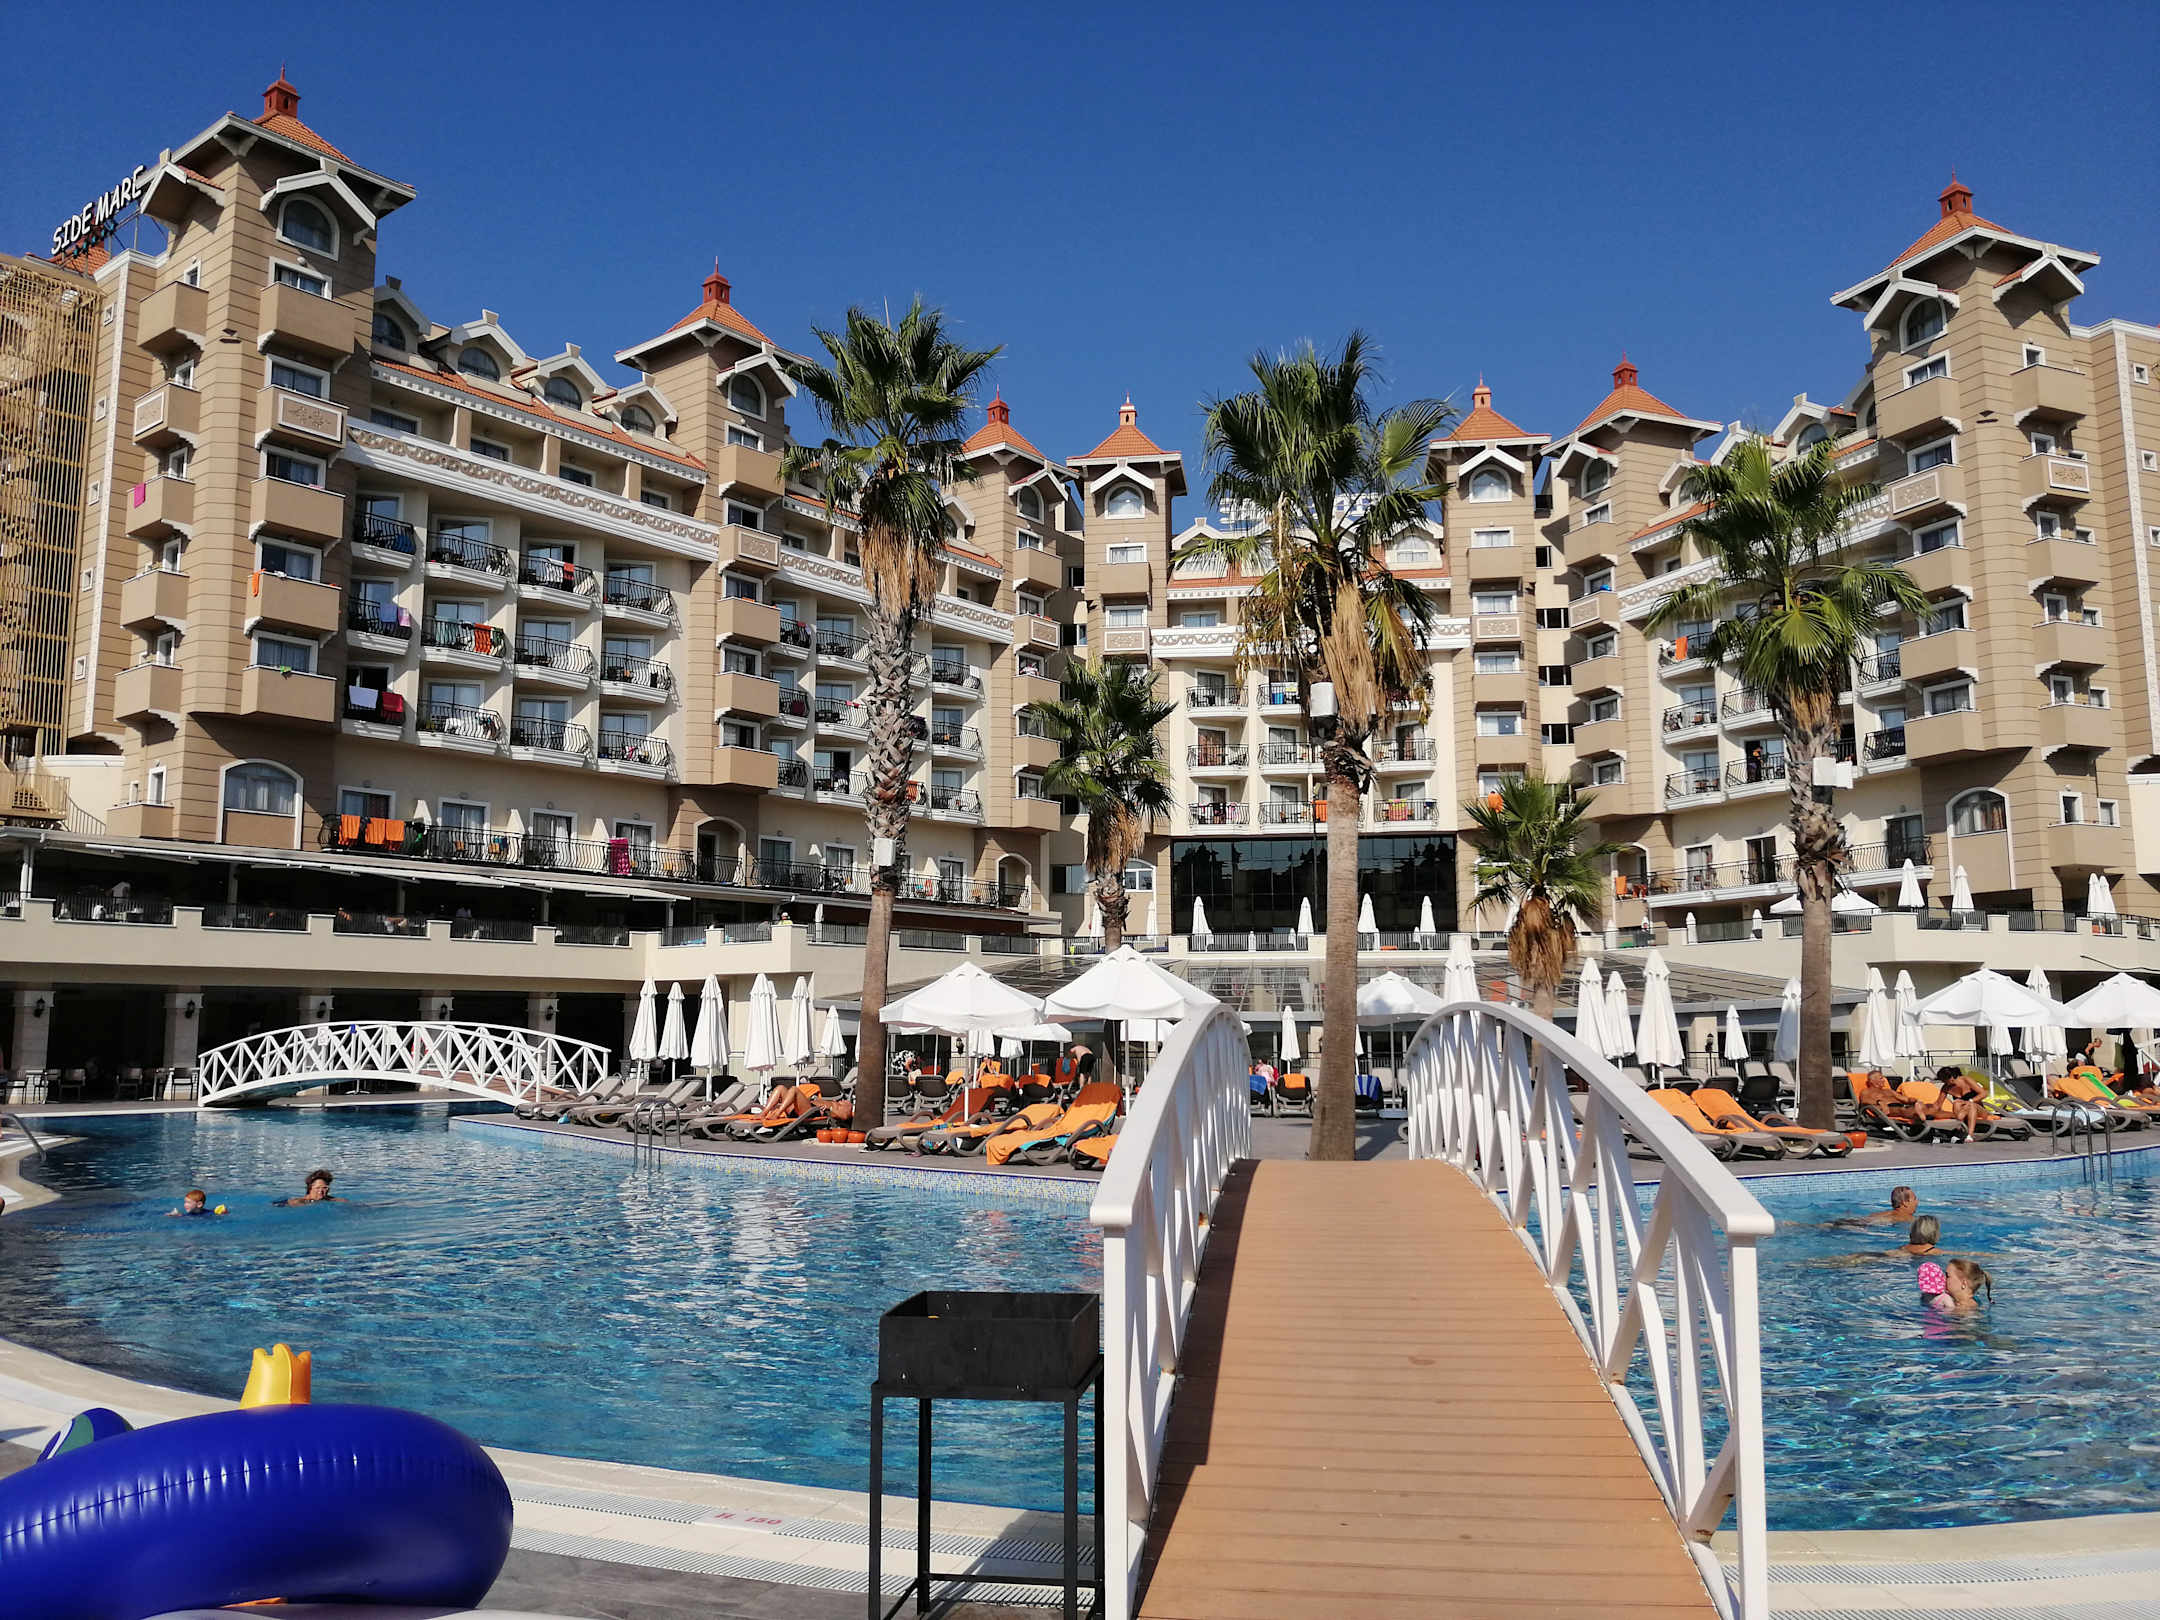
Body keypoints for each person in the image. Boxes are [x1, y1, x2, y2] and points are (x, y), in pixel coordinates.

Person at [1919, 1257, 1993, 1315]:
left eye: (1947, 1276)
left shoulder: (1963, 1309)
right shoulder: (1975, 1300)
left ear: (1964, 1284)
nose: (1943, 1278)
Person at [1850, 1186, 1919, 1225]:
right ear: (1905, 1203)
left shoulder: (1881, 1214)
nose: (1917, 1201)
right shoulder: (1908, 1218)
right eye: (1915, 1199)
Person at [273, 1169, 340, 1206]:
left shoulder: (331, 1200)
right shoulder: (300, 1202)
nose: (321, 1191)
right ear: (310, 1188)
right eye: (317, 1188)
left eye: (324, 1188)